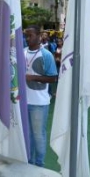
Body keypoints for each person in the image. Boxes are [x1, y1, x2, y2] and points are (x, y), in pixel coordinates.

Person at [24, 25, 57, 167]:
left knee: (38, 135)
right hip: (23, 101)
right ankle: (29, 162)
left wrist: (33, 78)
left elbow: (53, 78)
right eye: (26, 35)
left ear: (38, 36)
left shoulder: (46, 55)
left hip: (39, 102)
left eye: (30, 35)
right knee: (28, 134)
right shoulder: (22, 52)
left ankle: (39, 164)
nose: (27, 38)